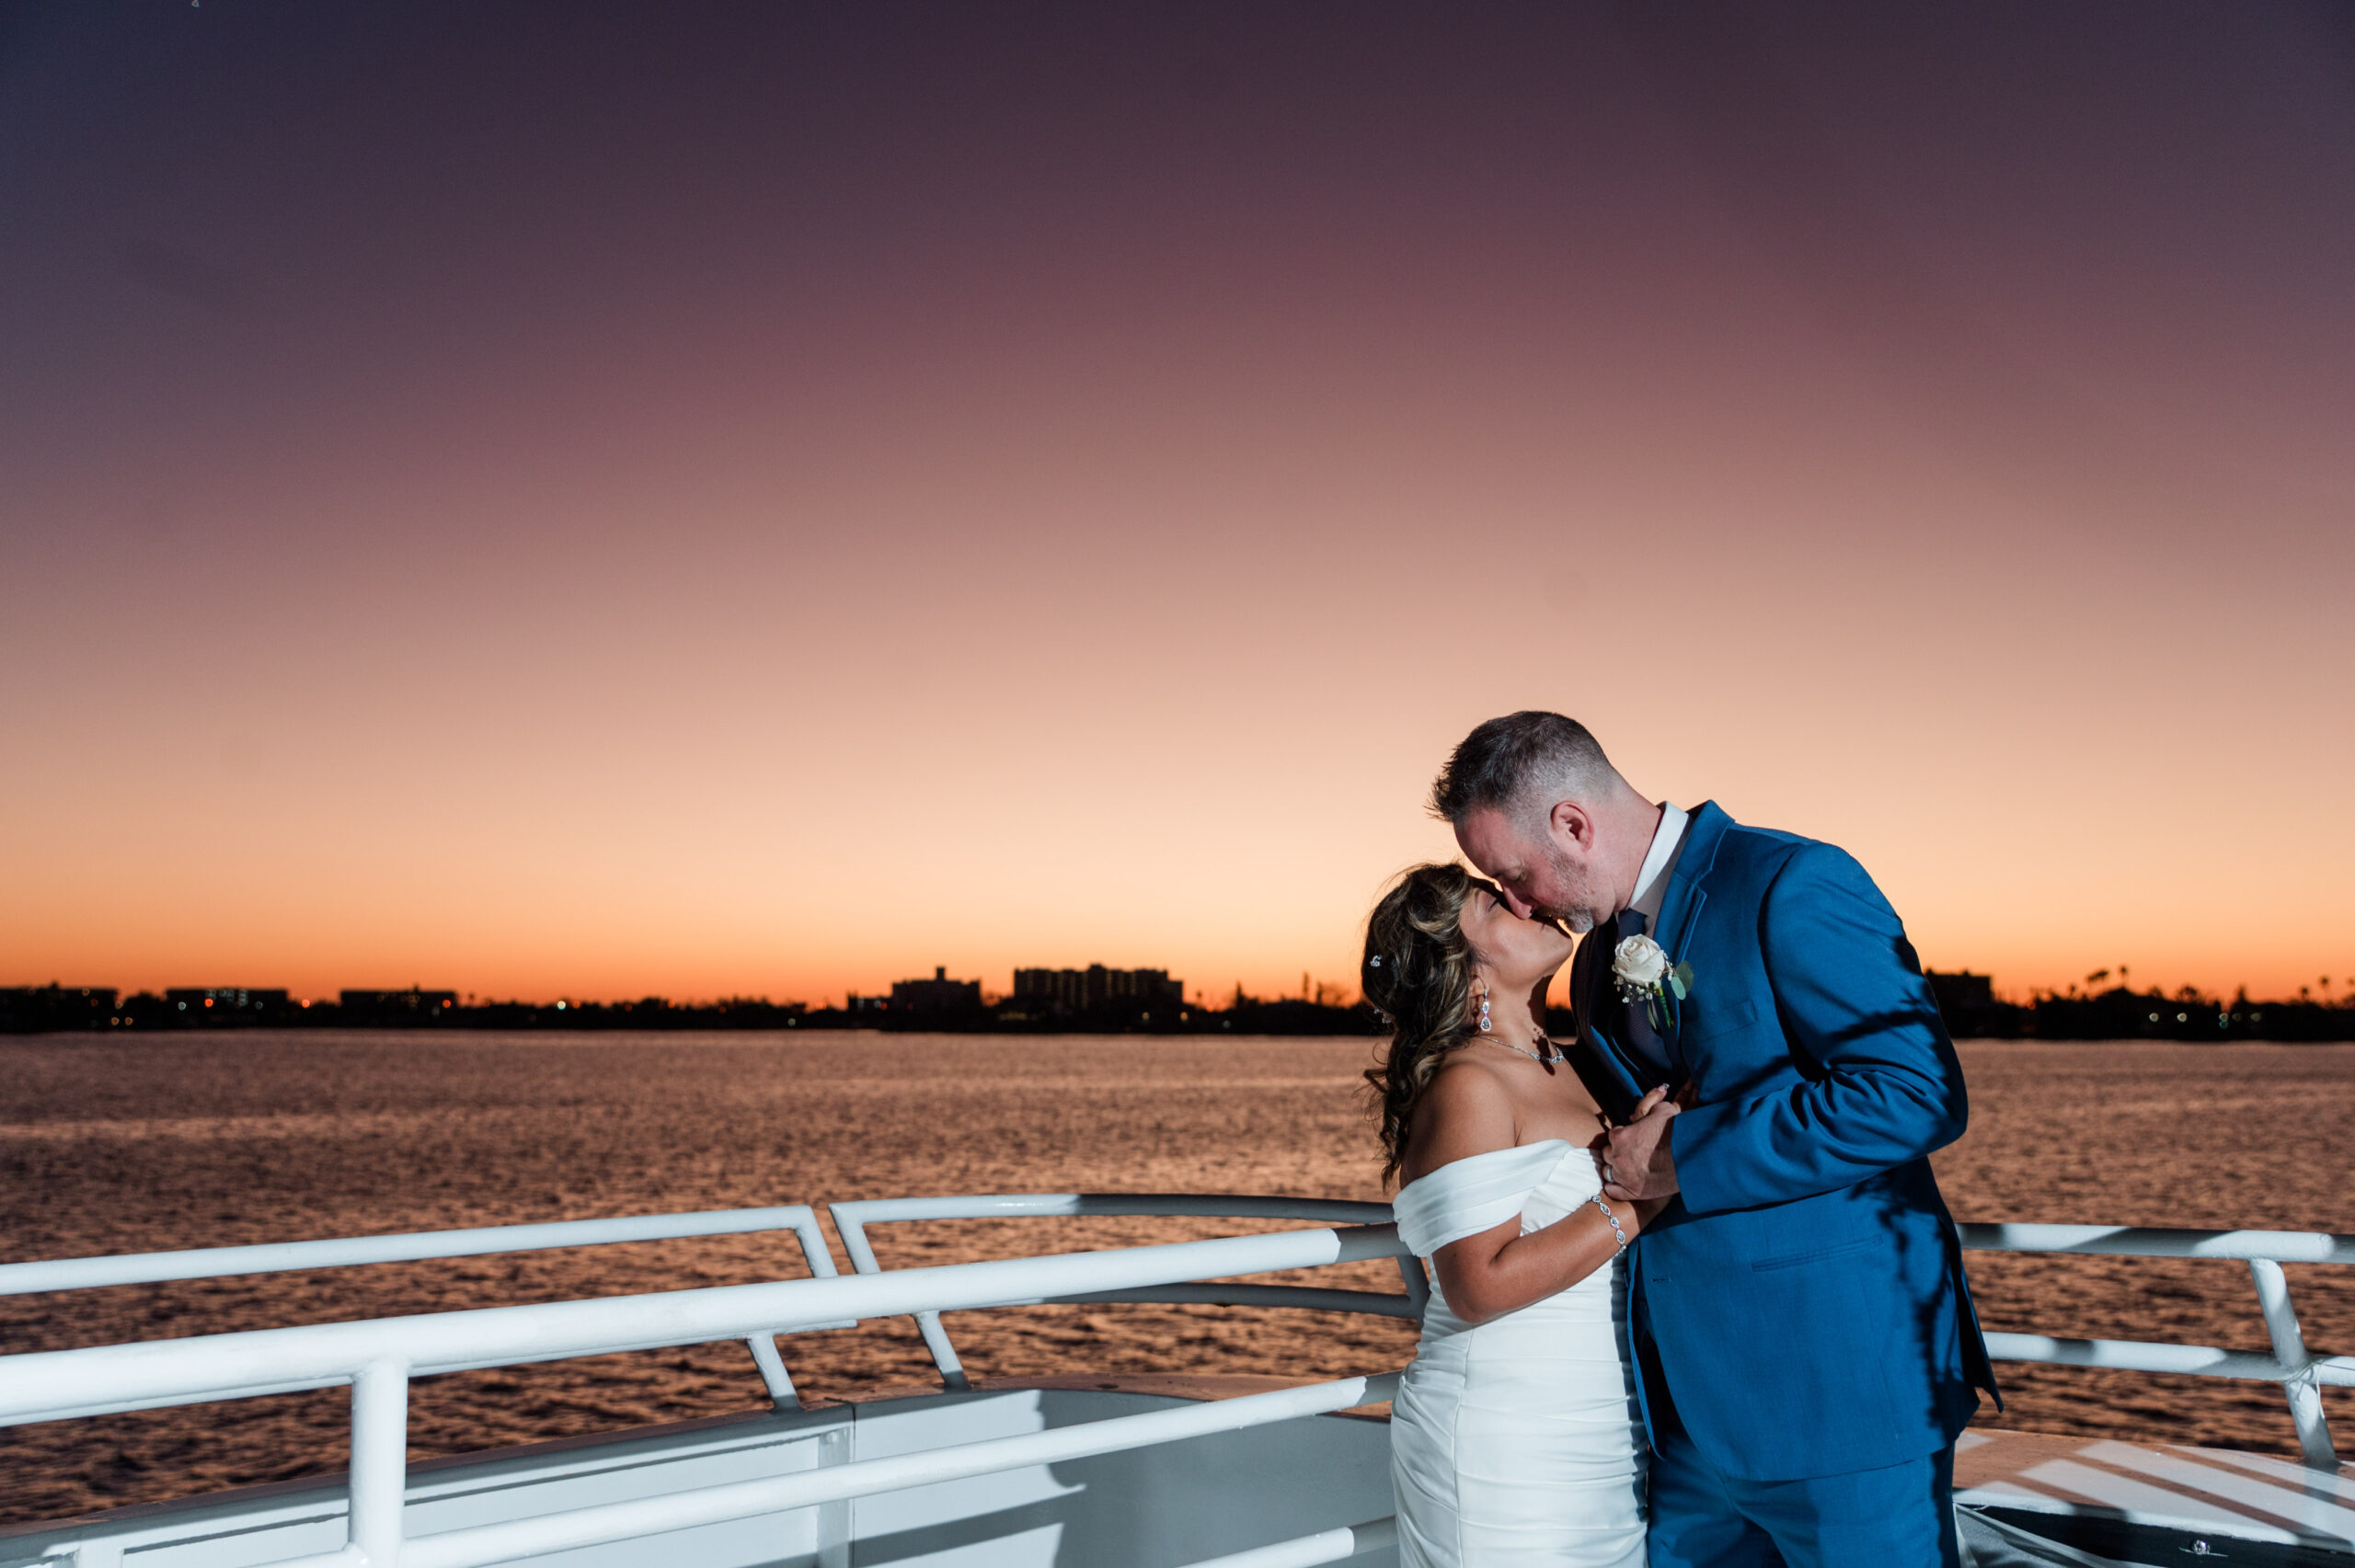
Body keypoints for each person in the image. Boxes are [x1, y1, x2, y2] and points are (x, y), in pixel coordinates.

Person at [1432, 711, 1998, 1568]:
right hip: (1687, 1423)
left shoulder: (1792, 881)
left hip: (1841, 1400)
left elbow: (1916, 1091)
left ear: (1573, 825)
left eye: (1513, 873)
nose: (1517, 899)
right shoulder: (1590, 966)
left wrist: (1680, 1155)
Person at [1363, 862, 1665, 1568]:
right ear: (1467, 970)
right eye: (1496, 905)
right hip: (1506, 1442)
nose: (1526, 902)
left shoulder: (1571, 1064)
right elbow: (1475, 1285)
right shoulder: (1469, 1083)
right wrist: (1645, 1195)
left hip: (1603, 1429)